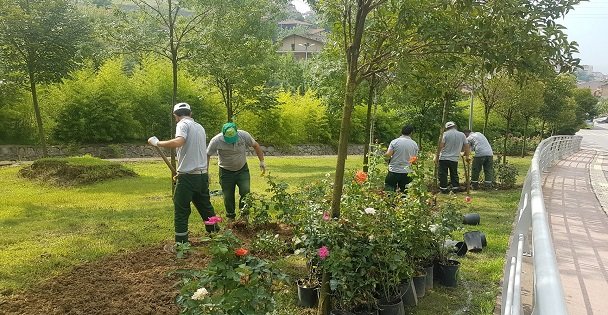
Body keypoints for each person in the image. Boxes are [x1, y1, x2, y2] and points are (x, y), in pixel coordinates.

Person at [147, 102, 216, 245]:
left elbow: (179, 141)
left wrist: (158, 143)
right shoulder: (200, 127)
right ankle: (217, 237)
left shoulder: (182, 124)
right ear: (190, 113)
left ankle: (181, 244)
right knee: (205, 207)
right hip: (202, 176)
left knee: (181, 210)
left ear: (175, 116)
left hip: (188, 178)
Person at [206, 122, 266, 220]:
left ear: (236, 133)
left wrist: (262, 161)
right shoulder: (216, 140)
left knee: (245, 192)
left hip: (242, 169)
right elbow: (207, 154)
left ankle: (244, 216)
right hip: (226, 171)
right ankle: (231, 218)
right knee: (228, 195)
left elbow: (256, 145)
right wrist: (206, 172)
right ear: (223, 134)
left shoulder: (243, 135)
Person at [438, 121, 470, 194]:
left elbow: (441, 146)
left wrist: (436, 156)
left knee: (443, 174)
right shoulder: (462, 135)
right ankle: (455, 187)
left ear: (446, 128)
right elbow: (466, 146)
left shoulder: (445, 134)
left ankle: (443, 188)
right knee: (454, 173)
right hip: (454, 158)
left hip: (444, 158)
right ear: (455, 126)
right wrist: (467, 156)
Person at [384, 125, 418, 192]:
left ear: (401, 132)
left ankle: (390, 201)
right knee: (405, 192)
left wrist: (385, 159)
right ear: (411, 133)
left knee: (390, 189)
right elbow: (414, 161)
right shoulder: (414, 144)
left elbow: (388, 155)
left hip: (394, 170)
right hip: (407, 172)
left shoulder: (394, 142)